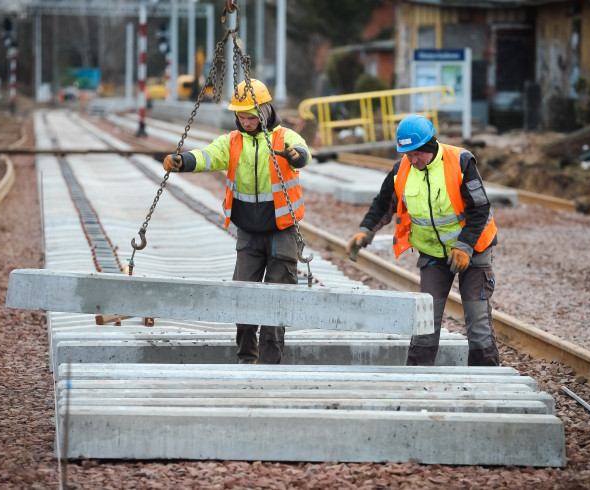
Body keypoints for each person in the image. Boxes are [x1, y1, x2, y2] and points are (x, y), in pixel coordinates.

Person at [163, 79, 311, 365]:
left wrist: (297, 156)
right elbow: (208, 156)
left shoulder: (284, 137)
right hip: (249, 233)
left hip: (282, 231)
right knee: (241, 296)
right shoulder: (232, 142)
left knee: (276, 301)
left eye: (251, 116)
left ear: (266, 111)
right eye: (241, 116)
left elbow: (302, 152)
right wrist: (183, 161)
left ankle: (269, 363)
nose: (246, 122)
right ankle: (246, 357)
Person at [346, 114, 499, 367]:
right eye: (408, 154)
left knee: (477, 317)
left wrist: (464, 246)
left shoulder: (460, 162)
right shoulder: (401, 170)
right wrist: (365, 230)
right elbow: (383, 204)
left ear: (430, 145)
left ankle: (487, 377)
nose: (413, 160)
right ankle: (417, 375)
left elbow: (480, 209)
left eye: (418, 153)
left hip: (474, 249)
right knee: (425, 317)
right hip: (433, 255)